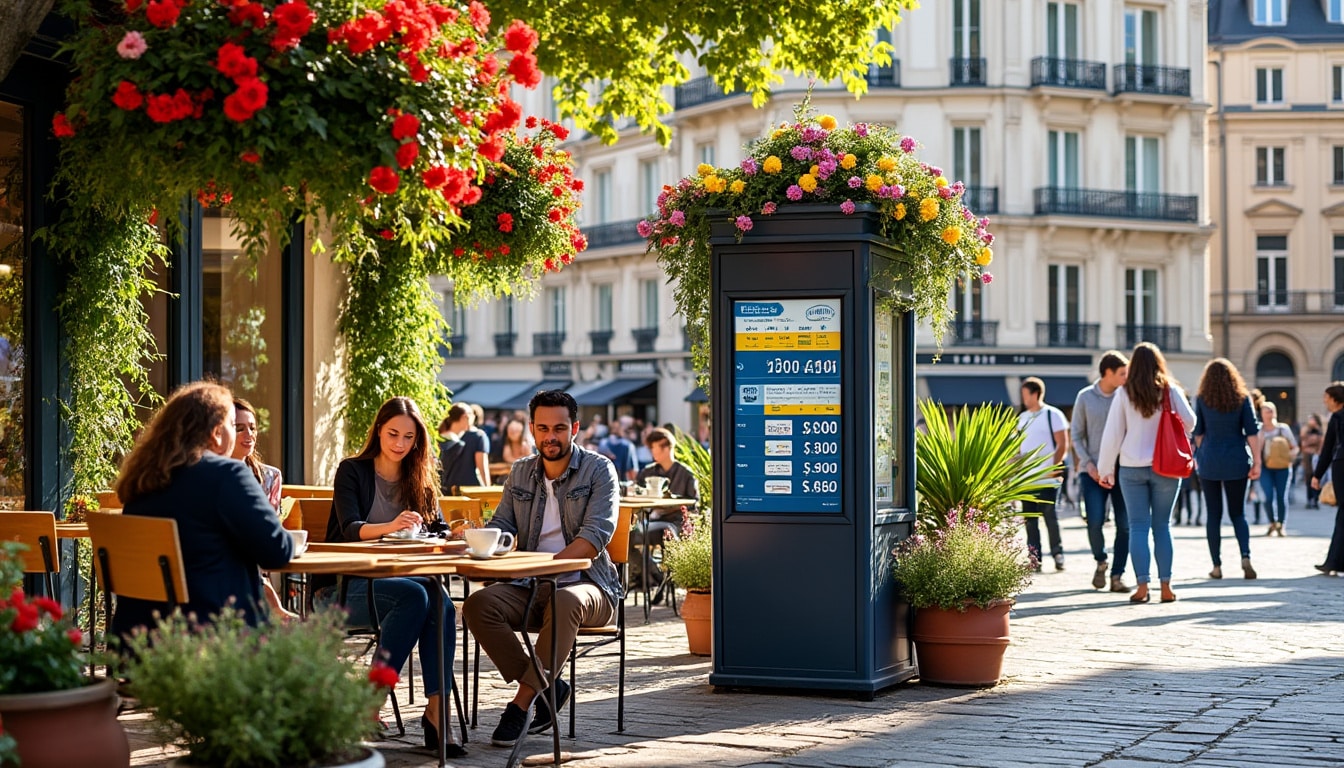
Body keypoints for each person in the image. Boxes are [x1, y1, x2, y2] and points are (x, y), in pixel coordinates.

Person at [463, 390, 620, 748]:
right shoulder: (520, 472)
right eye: (543, 428)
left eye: (560, 428)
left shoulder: (599, 470)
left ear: (575, 428)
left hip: (589, 586)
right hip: (530, 586)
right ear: (532, 429)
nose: (551, 436)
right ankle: (551, 686)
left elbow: (594, 538)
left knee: (564, 599)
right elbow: (503, 526)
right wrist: (478, 537)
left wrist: (542, 570)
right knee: (477, 606)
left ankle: (522, 702)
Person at [321, 396, 464, 756]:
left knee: (440, 602)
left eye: (408, 437)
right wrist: (392, 525)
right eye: (393, 434)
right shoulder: (351, 471)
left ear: (418, 440)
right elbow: (350, 528)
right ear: (379, 432)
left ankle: (437, 711)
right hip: (342, 591)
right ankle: (371, 704)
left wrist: (454, 535)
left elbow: (439, 528)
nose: (400, 444)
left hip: (399, 586)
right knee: (418, 596)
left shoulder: (420, 477)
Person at [110, 381, 294, 638]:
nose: (239, 433)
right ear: (216, 433)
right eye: (233, 425)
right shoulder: (228, 474)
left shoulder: (143, 483)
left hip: (140, 641)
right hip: (213, 640)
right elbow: (277, 551)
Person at [1098, 342, 1196, 604]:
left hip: (1131, 468)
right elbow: (1191, 421)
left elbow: (1113, 434)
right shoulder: (1169, 390)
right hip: (1166, 466)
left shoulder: (1124, 393)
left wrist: (1105, 469)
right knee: (1162, 526)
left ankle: (1142, 587)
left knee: (1138, 527)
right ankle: (1166, 587)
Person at [1190, 359, 1261, 581]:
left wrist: (1204, 451)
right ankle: (1245, 557)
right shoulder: (1242, 398)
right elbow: (1252, 433)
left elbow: (1198, 433)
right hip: (1237, 459)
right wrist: (1257, 461)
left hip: (1210, 460)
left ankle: (1217, 565)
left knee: (1213, 514)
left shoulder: (1202, 399)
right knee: (1238, 513)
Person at [229, 398, 298, 620]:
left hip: (255, 569)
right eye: (239, 428)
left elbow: (267, 534)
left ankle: (273, 607)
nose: (248, 435)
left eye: (252, 427)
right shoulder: (210, 476)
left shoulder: (269, 477)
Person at [1070, 350, 1132, 593]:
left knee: (1125, 526)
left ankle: (1117, 576)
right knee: (1094, 521)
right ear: (1108, 373)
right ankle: (1101, 561)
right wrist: (1089, 464)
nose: (1126, 377)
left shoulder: (1127, 397)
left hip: (1122, 471)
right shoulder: (1085, 397)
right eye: (1122, 373)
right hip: (1092, 473)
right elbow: (1076, 434)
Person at [627, 428, 699, 593]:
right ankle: (656, 575)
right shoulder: (647, 473)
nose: (652, 452)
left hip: (676, 522)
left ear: (667, 448)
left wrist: (672, 504)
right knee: (626, 535)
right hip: (651, 521)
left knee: (668, 532)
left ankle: (662, 579)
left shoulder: (686, 474)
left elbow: (694, 505)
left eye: (654, 448)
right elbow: (637, 493)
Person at [1017, 376, 1070, 571]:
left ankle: (1058, 554)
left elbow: (1063, 443)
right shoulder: (1021, 419)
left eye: (1025, 394)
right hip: (1026, 479)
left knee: (1050, 516)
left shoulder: (1052, 414)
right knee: (1030, 520)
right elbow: (1017, 449)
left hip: (1047, 477)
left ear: (1036, 393)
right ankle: (1034, 558)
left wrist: (1054, 467)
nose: (1023, 398)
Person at [1311, 383, 1344, 575]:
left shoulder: (1337, 417)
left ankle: (1333, 562)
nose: (1325, 401)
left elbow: (1327, 448)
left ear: (1334, 399)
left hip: (1342, 465)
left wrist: (1317, 474)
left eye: (1326, 398)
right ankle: (1334, 561)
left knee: (1342, 515)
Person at [1257, 401, 1298, 536]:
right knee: (1268, 496)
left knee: (1281, 496)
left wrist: (1289, 456)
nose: (1268, 413)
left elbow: (1295, 447)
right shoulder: (1260, 430)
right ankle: (1272, 522)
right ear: (1261, 414)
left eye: (1270, 410)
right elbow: (1256, 450)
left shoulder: (1283, 429)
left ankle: (1281, 524)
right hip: (1265, 467)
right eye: (1265, 410)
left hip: (1283, 467)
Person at [438, 403, 483, 494]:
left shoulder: (451, 439)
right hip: (446, 491)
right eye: (471, 415)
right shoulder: (450, 441)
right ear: (464, 417)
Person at [1300, 413, 1325, 509]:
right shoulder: (1306, 430)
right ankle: (1309, 499)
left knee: (1317, 478)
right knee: (1308, 478)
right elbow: (1303, 441)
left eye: (1312, 419)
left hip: (1317, 456)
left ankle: (1316, 499)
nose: (1310, 421)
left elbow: (1322, 442)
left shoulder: (1320, 430)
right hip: (1307, 457)